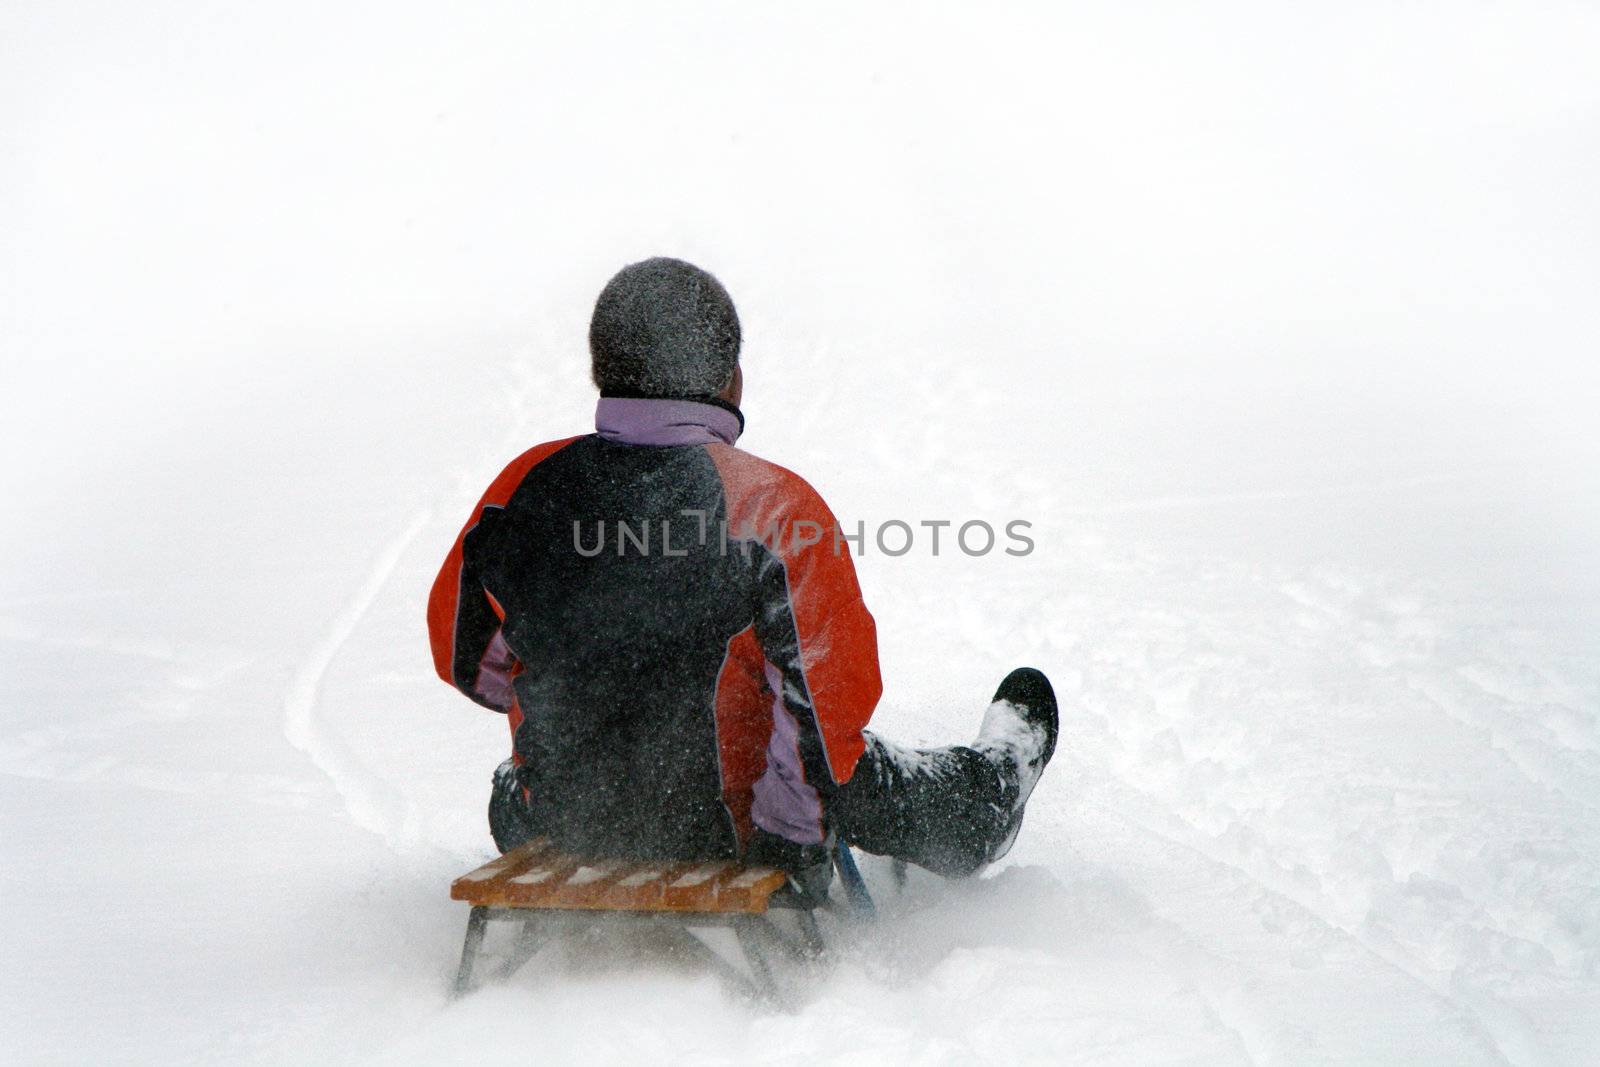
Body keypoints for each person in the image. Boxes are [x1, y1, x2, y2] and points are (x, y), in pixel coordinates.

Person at [427, 257, 1057, 887]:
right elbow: (824, 712)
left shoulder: (519, 489)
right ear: (731, 380)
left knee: (521, 776)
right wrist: (785, 846)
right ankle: (986, 795)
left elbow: (466, 660)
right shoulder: (772, 508)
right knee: (856, 768)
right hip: (740, 830)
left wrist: (591, 695)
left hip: (556, 819)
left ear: (601, 371)